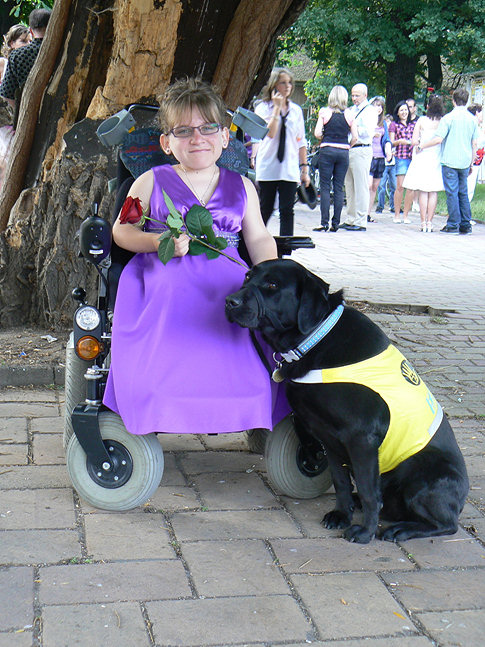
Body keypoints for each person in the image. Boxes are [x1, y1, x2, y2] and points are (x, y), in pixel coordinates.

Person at [103, 77, 289, 436]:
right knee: (170, 296)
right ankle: (157, 396)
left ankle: (246, 401)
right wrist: (157, 242)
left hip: (229, 278)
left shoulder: (242, 187)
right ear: (167, 143)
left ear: (224, 137)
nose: (197, 138)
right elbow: (122, 231)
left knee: (245, 313)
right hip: (166, 275)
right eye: (183, 131)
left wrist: (268, 274)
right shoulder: (150, 181)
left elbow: (259, 237)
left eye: (207, 128)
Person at [253, 68, 309, 236]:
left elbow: (301, 140)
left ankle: (285, 250)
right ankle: (256, 246)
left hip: (289, 167)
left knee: (287, 210)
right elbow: (269, 133)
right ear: (274, 85)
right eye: (283, 82)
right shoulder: (263, 108)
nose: (288, 86)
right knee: (265, 209)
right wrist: (276, 109)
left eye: (290, 82)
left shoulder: (296, 110)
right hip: (268, 166)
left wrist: (304, 168)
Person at [418, 88, 478, 235]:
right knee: (463, 192)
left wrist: (422, 145)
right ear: (467, 100)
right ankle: (466, 224)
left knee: (452, 193)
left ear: (453, 100)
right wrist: (471, 162)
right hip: (464, 161)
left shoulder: (448, 118)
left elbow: (439, 139)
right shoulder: (472, 119)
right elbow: (474, 143)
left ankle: (453, 224)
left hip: (450, 160)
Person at [312, 85, 357, 232]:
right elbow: (355, 137)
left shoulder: (325, 112)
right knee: (339, 187)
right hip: (343, 152)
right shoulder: (350, 114)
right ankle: (335, 223)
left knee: (325, 186)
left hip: (327, 150)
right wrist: (347, 145)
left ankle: (324, 222)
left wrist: (325, 137)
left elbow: (317, 133)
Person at [402, 95, 445, 232]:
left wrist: (421, 144)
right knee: (432, 191)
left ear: (427, 107)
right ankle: (430, 222)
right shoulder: (443, 122)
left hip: (422, 156)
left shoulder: (421, 120)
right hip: (436, 157)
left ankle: (422, 222)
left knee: (423, 191)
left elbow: (414, 141)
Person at [341, 82, 377, 231]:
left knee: (361, 185)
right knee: (349, 184)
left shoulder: (370, 111)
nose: (354, 98)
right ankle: (351, 218)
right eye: (353, 95)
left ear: (365, 95)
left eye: (357, 95)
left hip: (362, 149)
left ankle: (361, 220)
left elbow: (367, 132)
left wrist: (353, 126)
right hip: (349, 148)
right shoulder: (351, 110)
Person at [0, 8, 51, 110]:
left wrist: (20, 113)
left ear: (31, 31)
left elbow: (6, 94)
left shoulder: (17, 55)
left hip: (29, 113)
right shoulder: (63, 50)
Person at [389, 100, 415, 224]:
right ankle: (397, 214)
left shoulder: (414, 124)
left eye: (406, 110)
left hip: (413, 157)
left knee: (410, 188)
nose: (404, 112)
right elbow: (391, 142)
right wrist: (400, 141)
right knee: (400, 186)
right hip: (401, 156)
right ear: (397, 113)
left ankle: (406, 215)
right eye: (402, 110)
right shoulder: (394, 125)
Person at [367, 96, 391, 221]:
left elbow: (386, 139)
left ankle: (367, 214)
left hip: (380, 157)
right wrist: (371, 135)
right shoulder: (367, 121)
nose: (379, 109)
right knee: (368, 185)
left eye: (381, 106)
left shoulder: (383, 124)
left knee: (375, 187)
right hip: (369, 156)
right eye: (376, 105)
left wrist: (388, 150)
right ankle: (361, 212)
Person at [375, 113, 397, 214]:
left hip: (392, 164)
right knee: (381, 186)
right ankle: (380, 206)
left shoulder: (393, 135)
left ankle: (393, 206)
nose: (388, 124)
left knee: (394, 186)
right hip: (383, 162)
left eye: (389, 122)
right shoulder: (382, 135)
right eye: (386, 122)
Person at [466, 104, 484, 203]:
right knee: (469, 186)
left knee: (471, 186)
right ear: (476, 113)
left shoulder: (478, 127)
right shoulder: (473, 127)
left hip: (478, 160)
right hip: (473, 160)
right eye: (480, 112)